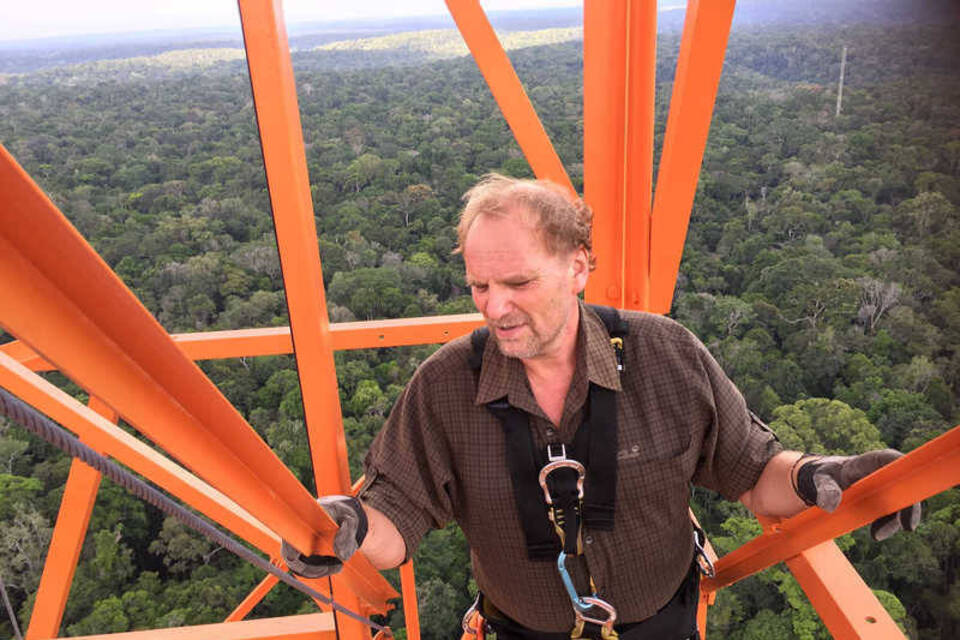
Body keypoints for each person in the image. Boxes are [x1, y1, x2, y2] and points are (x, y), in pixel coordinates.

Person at [282, 174, 921, 640]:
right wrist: (351, 523)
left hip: (662, 625)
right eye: (479, 285)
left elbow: (751, 471)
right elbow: (399, 518)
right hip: (521, 631)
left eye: (518, 283)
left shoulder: (664, 355)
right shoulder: (448, 385)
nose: (493, 307)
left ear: (578, 265)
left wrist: (820, 474)